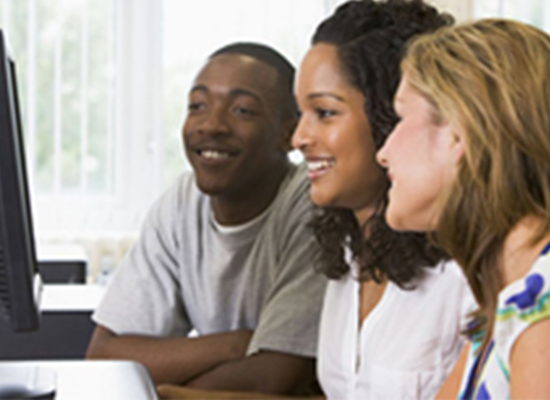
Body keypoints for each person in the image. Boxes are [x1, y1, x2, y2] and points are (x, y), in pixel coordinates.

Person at [86, 42, 327, 396]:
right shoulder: (182, 202)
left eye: (242, 110)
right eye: (197, 106)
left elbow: (274, 378)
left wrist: (164, 390)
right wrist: (238, 344)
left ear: (288, 134)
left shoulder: (312, 205)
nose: (211, 125)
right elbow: (105, 358)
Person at [291, 1, 474, 399]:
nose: (299, 138)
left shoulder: (465, 269)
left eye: (324, 112)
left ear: (388, 116)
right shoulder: (347, 251)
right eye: (300, 113)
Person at [377, 18, 550, 399]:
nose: (383, 153)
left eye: (402, 118)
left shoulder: (541, 308)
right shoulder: (502, 305)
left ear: (460, 133)